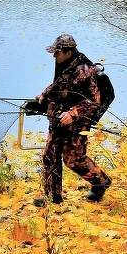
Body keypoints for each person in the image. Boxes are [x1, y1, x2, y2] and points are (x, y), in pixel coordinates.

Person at [33, 33, 111, 206]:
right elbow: (59, 84)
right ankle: (53, 198)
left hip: (77, 123)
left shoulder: (85, 70)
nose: (54, 55)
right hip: (57, 119)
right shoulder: (63, 64)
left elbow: (94, 101)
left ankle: (101, 182)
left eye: (57, 52)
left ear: (68, 52)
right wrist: (44, 95)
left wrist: (73, 113)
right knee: (50, 156)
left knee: (73, 160)